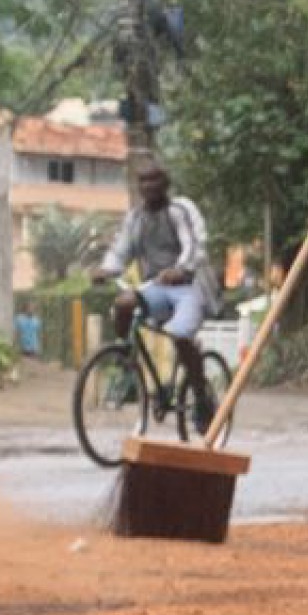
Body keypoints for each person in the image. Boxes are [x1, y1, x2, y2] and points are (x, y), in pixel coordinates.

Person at [100, 164, 217, 426]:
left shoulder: (179, 211)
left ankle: (200, 398)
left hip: (188, 288)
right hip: (155, 288)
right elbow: (121, 250)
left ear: (166, 183)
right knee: (123, 303)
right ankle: (125, 360)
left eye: (154, 180)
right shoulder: (135, 218)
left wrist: (180, 269)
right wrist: (106, 269)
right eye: (143, 180)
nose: (148, 186)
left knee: (180, 335)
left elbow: (194, 246)